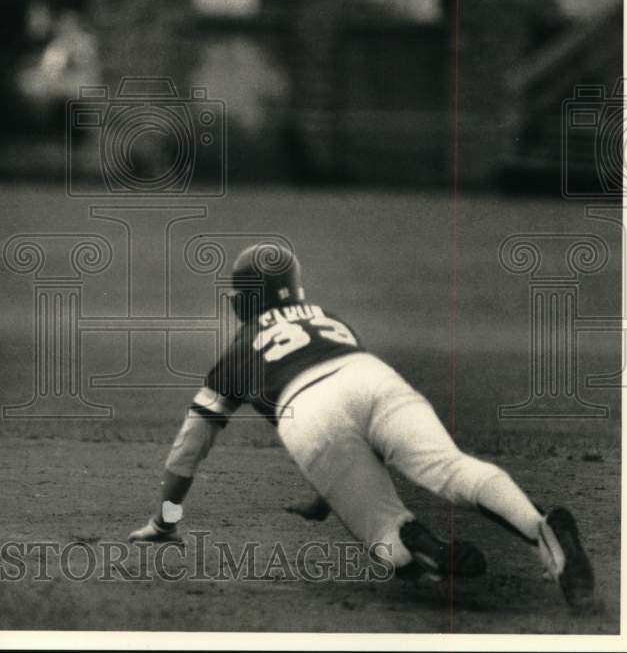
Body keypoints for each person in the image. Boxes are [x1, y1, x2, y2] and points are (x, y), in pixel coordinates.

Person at [129, 243, 597, 611]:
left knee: (383, 534)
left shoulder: (239, 350)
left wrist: (165, 521)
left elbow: (190, 446)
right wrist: (324, 496)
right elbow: (353, 409)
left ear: (239, 303)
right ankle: (541, 529)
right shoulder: (328, 319)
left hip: (309, 412)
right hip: (370, 375)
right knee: (455, 470)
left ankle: (416, 542)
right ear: (296, 289)